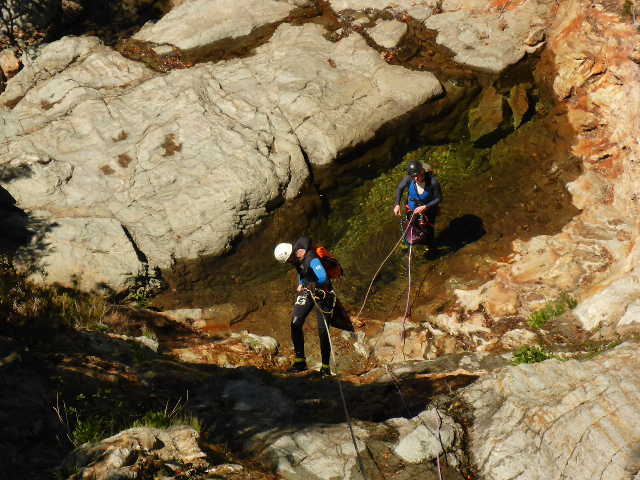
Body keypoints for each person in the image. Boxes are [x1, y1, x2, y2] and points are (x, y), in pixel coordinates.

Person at [273, 236, 352, 376]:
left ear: (292, 254)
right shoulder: (295, 258)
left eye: (289, 260)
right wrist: (302, 282)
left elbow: (322, 277)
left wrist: (307, 284)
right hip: (308, 290)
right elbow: (302, 271)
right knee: (295, 323)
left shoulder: (310, 257)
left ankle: (325, 368)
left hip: (323, 292)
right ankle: (300, 362)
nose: (289, 262)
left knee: (323, 330)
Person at [393, 160, 442, 248]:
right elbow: (400, 188)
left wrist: (425, 206)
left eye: (417, 176)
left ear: (422, 171)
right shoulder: (409, 179)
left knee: (428, 232)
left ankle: (430, 247)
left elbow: (439, 198)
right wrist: (397, 204)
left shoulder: (432, 182)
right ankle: (412, 241)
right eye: (413, 176)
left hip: (428, 211)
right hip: (412, 209)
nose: (415, 178)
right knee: (412, 226)